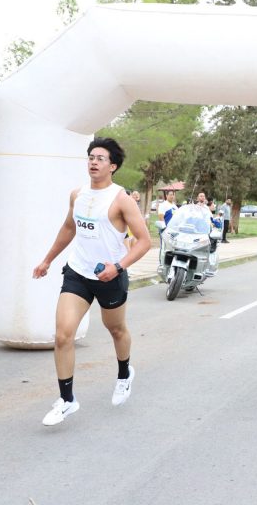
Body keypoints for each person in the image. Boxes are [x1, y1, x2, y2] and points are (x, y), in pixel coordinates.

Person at [32, 137, 150, 427]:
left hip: (110, 276)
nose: (93, 162)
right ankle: (67, 400)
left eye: (100, 158)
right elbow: (68, 228)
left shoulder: (121, 199)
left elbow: (144, 241)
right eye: (91, 157)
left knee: (116, 329)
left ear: (113, 166)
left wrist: (118, 267)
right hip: (78, 272)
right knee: (63, 335)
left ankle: (124, 373)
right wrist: (47, 260)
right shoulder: (77, 195)